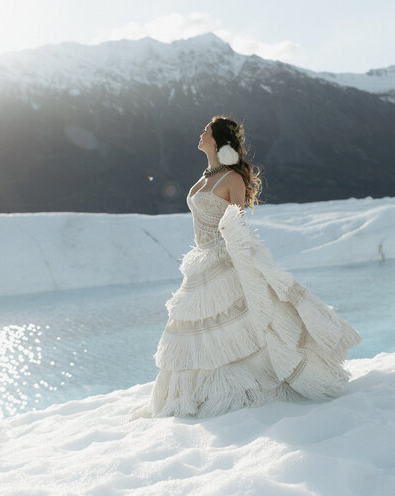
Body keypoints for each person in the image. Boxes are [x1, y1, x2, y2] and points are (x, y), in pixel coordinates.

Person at [149, 115, 361, 417]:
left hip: (223, 262)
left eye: (206, 130)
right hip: (201, 261)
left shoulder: (232, 179)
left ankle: (245, 384)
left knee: (244, 326)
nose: (201, 133)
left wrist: (246, 262)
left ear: (220, 139)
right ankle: (195, 392)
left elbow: (237, 224)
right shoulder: (206, 174)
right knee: (196, 329)